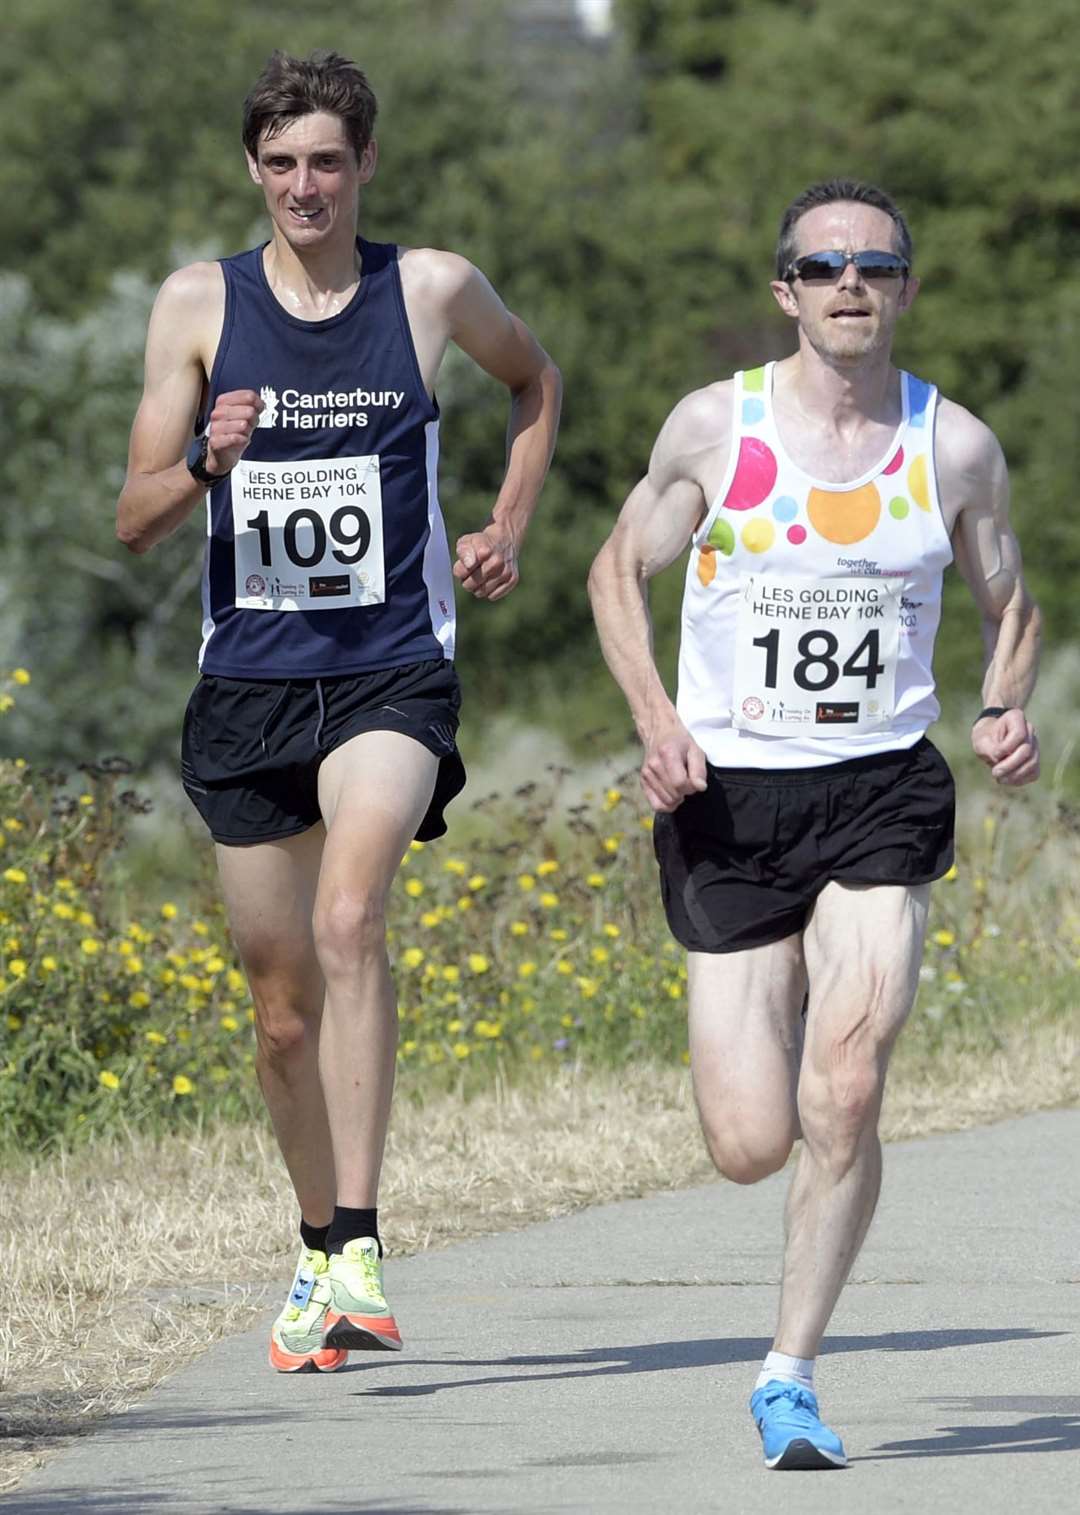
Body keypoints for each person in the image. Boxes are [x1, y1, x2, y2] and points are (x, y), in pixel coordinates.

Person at [117, 49, 561, 1374]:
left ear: (366, 164)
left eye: (327, 161)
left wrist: (505, 526)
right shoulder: (199, 305)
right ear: (252, 172)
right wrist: (208, 456)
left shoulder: (426, 289)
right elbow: (134, 519)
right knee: (280, 1012)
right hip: (249, 686)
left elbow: (534, 384)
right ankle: (316, 1247)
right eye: (281, 165)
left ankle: (361, 1236)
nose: (305, 187)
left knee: (350, 912)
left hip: (390, 672)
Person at [588, 178, 1039, 1469]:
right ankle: (774, 1029)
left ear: (906, 287)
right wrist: (654, 718)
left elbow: (1010, 596)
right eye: (825, 265)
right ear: (786, 289)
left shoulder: (951, 445)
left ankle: (790, 1375)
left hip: (879, 791)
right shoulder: (714, 429)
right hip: (728, 798)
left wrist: (1004, 702)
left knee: (846, 1084)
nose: (853, 284)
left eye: (878, 267)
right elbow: (615, 566)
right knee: (746, 1144)